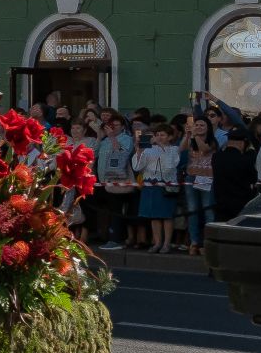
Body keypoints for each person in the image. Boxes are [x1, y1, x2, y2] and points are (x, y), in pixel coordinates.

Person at [133, 123, 181, 254]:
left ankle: (166, 243)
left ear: (170, 137)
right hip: (150, 185)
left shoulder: (174, 149)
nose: (159, 137)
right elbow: (137, 167)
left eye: (163, 135)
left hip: (165, 186)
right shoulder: (148, 150)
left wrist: (160, 147)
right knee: (154, 216)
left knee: (166, 216)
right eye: (157, 135)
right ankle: (157, 242)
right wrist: (139, 150)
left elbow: (170, 167)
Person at [92, 109, 135, 250]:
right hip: (104, 181)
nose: (113, 128)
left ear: (122, 126)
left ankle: (116, 239)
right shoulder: (105, 140)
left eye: (116, 125)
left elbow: (122, 154)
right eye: (111, 125)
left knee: (116, 210)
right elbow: (94, 154)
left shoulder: (126, 139)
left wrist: (112, 137)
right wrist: (99, 137)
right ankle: (107, 236)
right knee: (108, 210)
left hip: (119, 181)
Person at [180, 117, 216, 257]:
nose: (199, 127)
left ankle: (208, 241)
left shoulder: (212, 141)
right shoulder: (192, 138)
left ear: (208, 127)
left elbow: (205, 149)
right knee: (192, 210)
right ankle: (194, 241)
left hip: (207, 178)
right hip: (191, 177)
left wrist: (195, 136)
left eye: (202, 125)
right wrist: (187, 135)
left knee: (208, 210)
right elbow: (181, 149)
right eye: (197, 125)